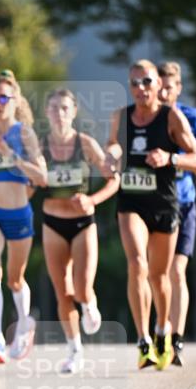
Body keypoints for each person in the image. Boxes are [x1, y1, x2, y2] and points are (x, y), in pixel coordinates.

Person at [104, 60, 196, 370]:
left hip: (164, 203)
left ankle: (163, 331)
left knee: (161, 277)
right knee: (137, 264)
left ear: (158, 84)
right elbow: (113, 146)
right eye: (134, 83)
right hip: (132, 201)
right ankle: (143, 338)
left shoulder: (171, 117)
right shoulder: (121, 116)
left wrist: (171, 157)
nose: (140, 88)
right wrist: (111, 156)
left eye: (146, 81)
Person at [40, 88, 119, 373]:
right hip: (52, 221)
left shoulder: (85, 144)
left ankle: (88, 304)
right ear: (46, 113)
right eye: (54, 108)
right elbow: (27, 183)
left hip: (83, 223)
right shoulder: (40, 147)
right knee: (63, 292)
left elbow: (114, 181)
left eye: (64, 108)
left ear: (73, 111)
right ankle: (75, 350)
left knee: (82, 288)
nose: (59, 114)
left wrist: (92, 200)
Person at [0, 70, 47, 365]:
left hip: (19, 214)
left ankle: (23, 326)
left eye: (3, 97)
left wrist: (11, 155)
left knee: (16, 279)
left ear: (15, 101)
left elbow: (41, 177)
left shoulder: (24, 133)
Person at [158, 62, 196, 365]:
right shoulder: (145, 118)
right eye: (159, 86)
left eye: (168, 87)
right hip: (155, 204)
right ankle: (161, 330)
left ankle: (177, 339)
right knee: (156, 274)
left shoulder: (192, 118)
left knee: (176, 271)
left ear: (178, 88)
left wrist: (171, 158)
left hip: (184, 203)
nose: (162, 92)